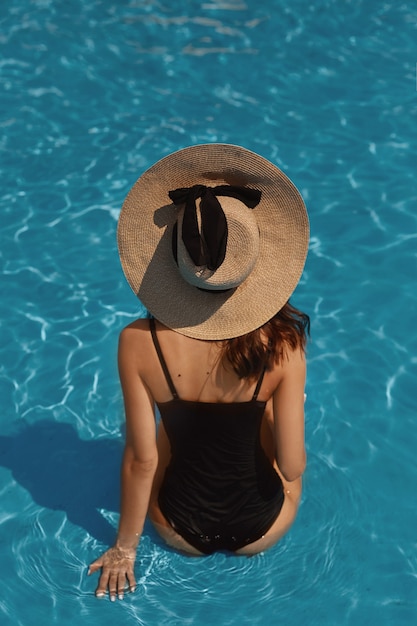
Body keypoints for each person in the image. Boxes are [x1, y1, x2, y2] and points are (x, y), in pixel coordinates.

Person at [88, 144, 310, 601]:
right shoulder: (284, 345)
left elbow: (141, 460)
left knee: (169, 429)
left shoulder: (137, 341)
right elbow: (291, 465)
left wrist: (124, 549)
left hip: (177, 531)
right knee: (263, 420)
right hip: (264, 528)